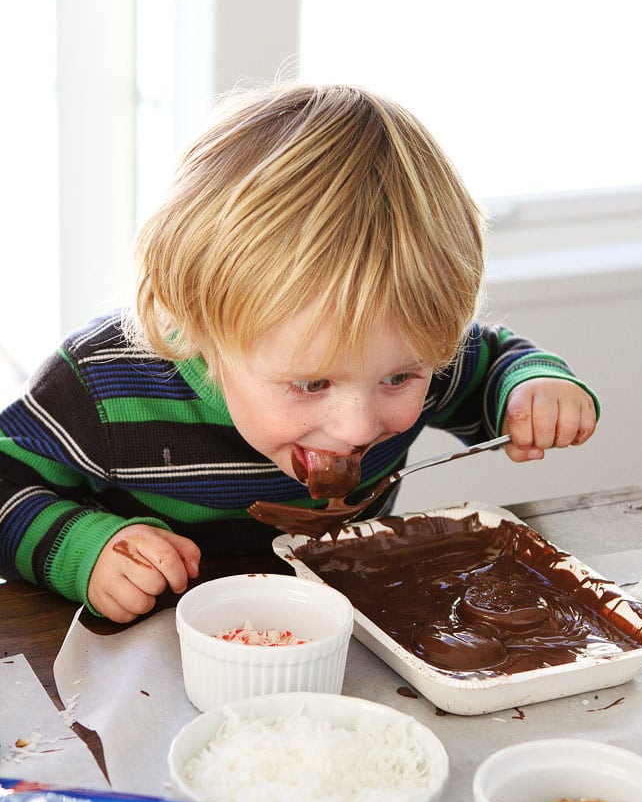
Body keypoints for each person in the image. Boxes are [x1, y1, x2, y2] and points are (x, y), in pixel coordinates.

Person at [0, 83, 599, 622]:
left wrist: (532, 391)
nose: (360, 426)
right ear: (200, 325)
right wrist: (83, 550)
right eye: (312, 385)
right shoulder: (104, 384)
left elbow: (490, 362)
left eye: (400, 379)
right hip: (146, 655)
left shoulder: (402, 343)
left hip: (337, 628)